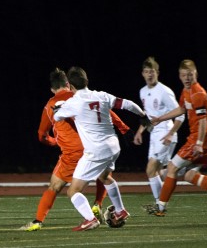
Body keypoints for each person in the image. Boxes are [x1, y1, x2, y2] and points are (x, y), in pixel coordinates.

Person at [19, 68, 132, 232]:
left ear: (52, 89)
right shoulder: (81, 96)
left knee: (55, 186)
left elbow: (42, 135)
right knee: (105, 176)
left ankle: (38, 221)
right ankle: (98, 204)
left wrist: (54, 141)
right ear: (68, 84)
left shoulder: (51, 105)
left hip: (73, 153)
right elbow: (107, 111)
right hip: (96, 147)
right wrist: (124, 129)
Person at [53, 67, 148, 231]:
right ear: (87, 81)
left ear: (70, 86)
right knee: (104, 177)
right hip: (113, 147)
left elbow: (56, 116)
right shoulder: (102, 95)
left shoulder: (73, 103)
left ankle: (90, 219)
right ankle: (120, 210)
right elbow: (127, 104)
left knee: (73, 191)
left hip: (96, 151)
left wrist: (59, 107)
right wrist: (143, 116)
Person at [148, 59, 207, 216]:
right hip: (205, 138)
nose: (187, 78)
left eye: (190, 75)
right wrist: (160, 118)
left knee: (172, 168)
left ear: (196, 74)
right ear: (179, 76)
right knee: (189, 175)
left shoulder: (197, 93)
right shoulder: (186, 91)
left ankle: (160, 207)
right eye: (184, 75)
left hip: (201, 138)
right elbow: (181, 109)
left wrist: (199, 143)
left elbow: (203, 121)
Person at [133, 56, 184, 208]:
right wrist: (140, 131)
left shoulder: (164, 91)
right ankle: (181, 171)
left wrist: (171, 133)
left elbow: (180, 115)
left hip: (166, 133)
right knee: (155, 172)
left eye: (152, 71)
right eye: (147, 71)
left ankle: (160, 204)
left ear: (157, 73)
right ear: (142, 73)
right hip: (154, 135)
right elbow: (149, 116)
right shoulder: (142, 91)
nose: (150, 74)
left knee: (151, 169)